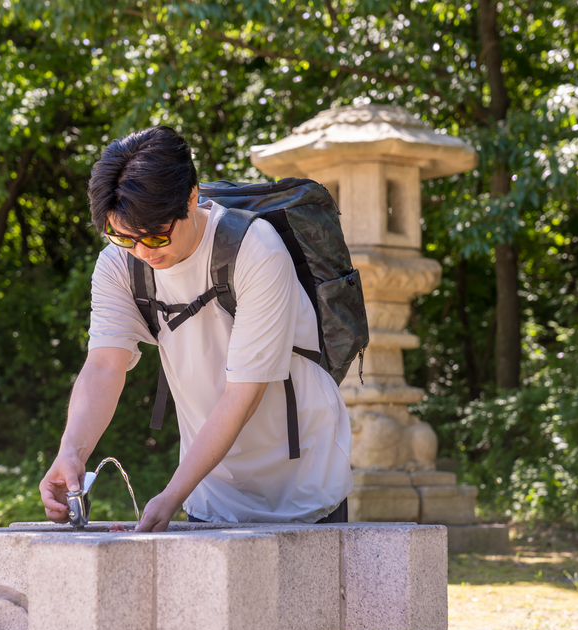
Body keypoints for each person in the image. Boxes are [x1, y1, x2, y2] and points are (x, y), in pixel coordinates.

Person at [38, 126, 353, 532]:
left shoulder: (254, 248)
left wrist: (171, 494)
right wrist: (71, 453)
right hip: (207, 491)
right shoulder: (119, 263)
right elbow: (104, 365)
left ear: (191, 197)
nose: (143, 252)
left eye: (155, 235)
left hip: (304, 486)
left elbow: (244, 391)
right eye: (121, 235)